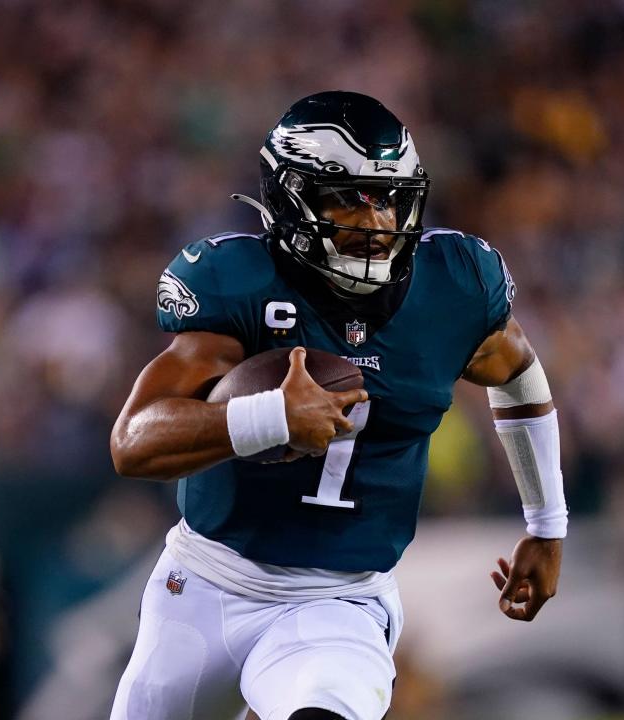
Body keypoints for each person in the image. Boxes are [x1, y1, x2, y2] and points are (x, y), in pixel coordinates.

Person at [108, 91, 567, 720]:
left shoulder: (454, 286)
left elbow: (518, 376)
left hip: (339, 602)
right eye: (347, 196)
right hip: (207, 583)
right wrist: (267, 417)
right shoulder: (239, 283)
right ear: (288, 198)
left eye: (386, 197)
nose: (374, 221)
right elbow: (133, 442)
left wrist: (547, 525)